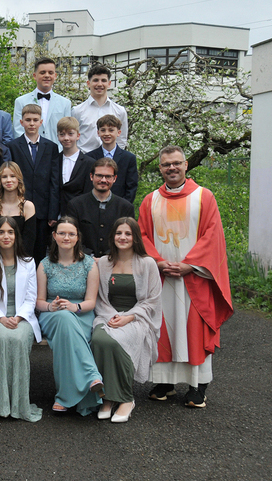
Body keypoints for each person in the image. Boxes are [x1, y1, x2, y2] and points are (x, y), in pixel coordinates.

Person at [138, 146, 233, 408]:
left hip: (195, 279)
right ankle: (165, 382)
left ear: (186, 165)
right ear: (160, 168)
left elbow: (212, 235)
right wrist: (158, 262)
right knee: (163, 329)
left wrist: (189, 265)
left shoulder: (204, 197)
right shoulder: (150, 201)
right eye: (166, 164)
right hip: (162, 277)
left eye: (176, 163)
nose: (172, 168)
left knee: (194, 329)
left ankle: (198, 386)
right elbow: (142, 235)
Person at [92, 218, 162, 423]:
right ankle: (108, 397)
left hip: (136, 317)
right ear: (112, 236)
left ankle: (125, 398)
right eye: (119, 233)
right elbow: (100, 298)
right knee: (99, 339)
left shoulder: (147, 263)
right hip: (108, 315)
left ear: (135, 237)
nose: (123, 237)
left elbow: (153, 299)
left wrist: (129, 317)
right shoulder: (104, 263)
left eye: (128, 234)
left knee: (118, 341)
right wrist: (113, 316)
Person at [35, 216, 103, 415]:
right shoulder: (45, 265)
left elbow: (91, 301)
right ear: (54, 236)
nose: (66, 237)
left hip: (82, 313)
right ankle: (91, 376)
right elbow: (39, 302)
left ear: (77, 237)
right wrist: (52, 306)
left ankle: (64, 397)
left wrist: (75, 307)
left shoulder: (89, 264)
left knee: (67, 333)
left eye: (71, 234)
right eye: (62, 233)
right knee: (64, 319)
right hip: (52, 315)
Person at [0, 216, 43, 422]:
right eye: (1, 232)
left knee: (17, 339)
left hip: (22, 318)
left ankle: (18, 405)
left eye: (10, 232)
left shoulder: (28, 263)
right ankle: (0, 404)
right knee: (2, 339)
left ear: (16, 236)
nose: (5, 236)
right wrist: (0, 318)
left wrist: (18, 317)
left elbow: (31, 298)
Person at [6, 104, 60, 265]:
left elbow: (54, 181)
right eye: (28, 120)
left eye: (35, 120)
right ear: (21, 122)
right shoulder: (13, 147)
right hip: (20, 208)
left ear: (41, 122)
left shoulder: (51, 147)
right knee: (21, 249)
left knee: (40, 252)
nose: (31, 123)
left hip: (43, 210)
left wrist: (53, 213)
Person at [66, 158, 135, 258]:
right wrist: (89, 257)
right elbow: (70, 236)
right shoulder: (75, 205)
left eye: (108, 176)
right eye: (99, 175)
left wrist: (107, 258)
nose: (103, 180)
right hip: (81, 260)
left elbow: (129, 238)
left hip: (115, 260)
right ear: (91, 176)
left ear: (114, 178)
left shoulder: (126, 207)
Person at [13, 58, 72, 150]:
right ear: (35, 76)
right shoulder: (21, 101)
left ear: (55, 76)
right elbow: (18, 131)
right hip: (30, 152)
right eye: (42, 72)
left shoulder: (65, 103)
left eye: (50, 73)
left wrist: (59, 151)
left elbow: (67, 131)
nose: (47, 76)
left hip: (57, 153)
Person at [72, 65, 128, 153]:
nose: (99, 84)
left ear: (109, 84)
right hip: (84, 158)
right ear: (88, 83)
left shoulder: (120, 111)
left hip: (110, 159)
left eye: (103, 80)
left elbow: (122, 140)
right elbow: (72, 138)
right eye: (95, 80)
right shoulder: (77, 111)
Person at [0, 162, 37, 254]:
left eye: (12, 176)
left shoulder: (28, 207)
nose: (8, 180)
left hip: (20, 258)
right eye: (4, 177)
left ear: (19, 179)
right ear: (0, 180)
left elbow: (29, 242)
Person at [86, 115, 138, 203]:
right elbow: (87, 185)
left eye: (111, 130)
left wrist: (124, 206)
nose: (107, 133)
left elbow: (131, 187)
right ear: (98, 133)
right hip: (94, 204)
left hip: (120, 205)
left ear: (118, 132)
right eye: (103, 130)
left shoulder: (129, 158)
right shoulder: (89, 157)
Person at [57, 117, 94, 216]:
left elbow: (88, 192)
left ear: (78, 136)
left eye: (70, 134)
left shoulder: (89, 163)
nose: (66, 138)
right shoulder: (54, 160)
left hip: (79, 213)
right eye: (62, 134)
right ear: (58, 136)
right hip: (57, 214)